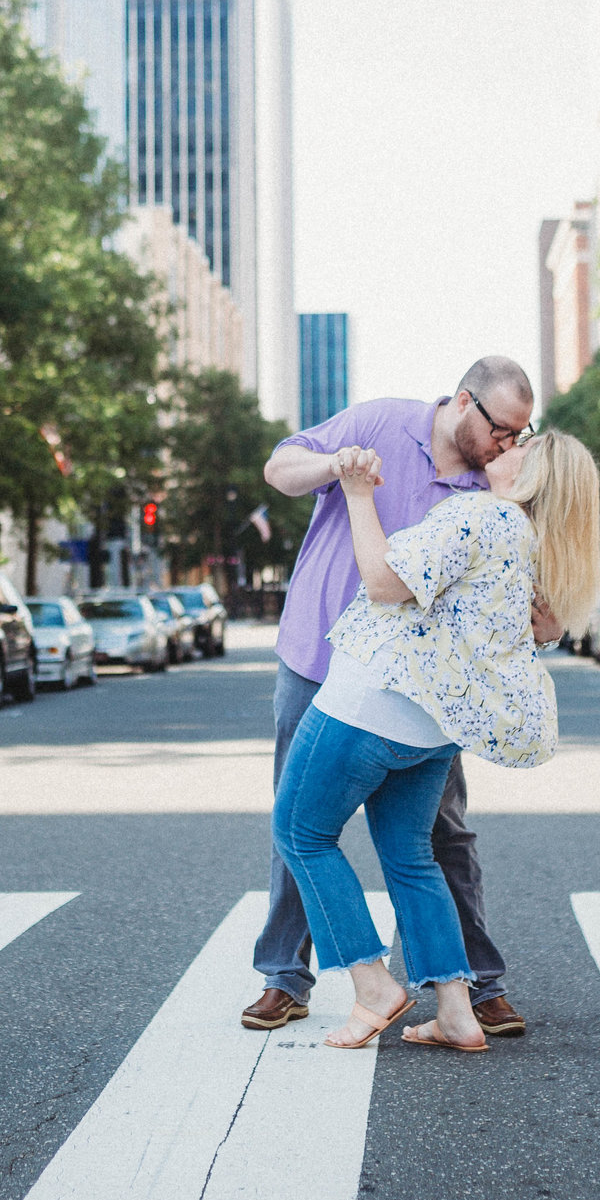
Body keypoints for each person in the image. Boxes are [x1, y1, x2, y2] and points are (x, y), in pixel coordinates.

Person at [242, 356, 554, 1037]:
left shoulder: (488, 493)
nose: (508, 446)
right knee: (300, 818)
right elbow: (279, 467)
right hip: (320, 657)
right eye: (503, 430)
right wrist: (337, 470)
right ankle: (285, 977)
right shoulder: (381, 420)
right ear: (466, 402)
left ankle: (472, 984)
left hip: (420, 691)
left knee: (439, 834)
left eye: (520, 436)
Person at [272, 431, 600, 1050]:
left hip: (373, 698)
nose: (501, 450)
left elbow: (382, 582)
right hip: (436, 727)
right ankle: (456, 1011)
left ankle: (373, 986)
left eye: (518, 447)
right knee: (410, 854)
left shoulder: (480, 516)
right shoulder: (543, 547)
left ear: (534, 475)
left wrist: (357, 494)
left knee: (300, 831)